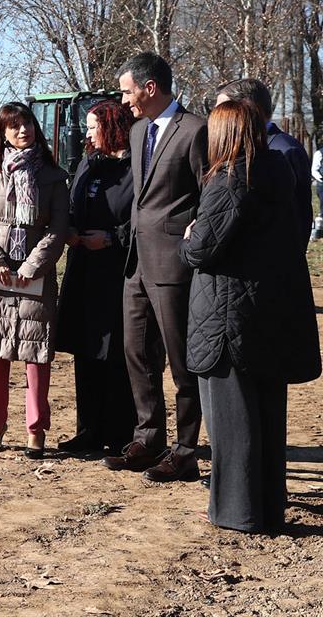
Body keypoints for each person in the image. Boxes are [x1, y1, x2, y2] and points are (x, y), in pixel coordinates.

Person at [179, 101, 321, 533]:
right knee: (265, 414)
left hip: (227, 316)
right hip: (268, 310)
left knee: (232, 418)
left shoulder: (228, 179)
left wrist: (189, 235)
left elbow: (202, 248)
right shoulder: (279, 170)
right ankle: (266, 505)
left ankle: (236, 511)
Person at [104, 51, 209, 483]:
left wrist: (196, 231)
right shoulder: (137, 131)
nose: (124, 101)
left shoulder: (196, 131)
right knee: (137, 353)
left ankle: (185, 452)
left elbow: (211, 192)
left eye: (128, 92)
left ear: (150, 88)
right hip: (136, 266)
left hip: (175, 266)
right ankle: (149, 439)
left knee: (181, 361)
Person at [0, 102, 68, 460]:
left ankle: (36, 429)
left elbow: (58, 228)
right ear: (2, 133)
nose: (23, 131)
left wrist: (33, 265)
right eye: (15, 126)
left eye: (27, 125)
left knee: (36, 355)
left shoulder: (53, 176)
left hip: (34, 278)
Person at [54, 99, 137, 456]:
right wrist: (68, 229)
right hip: (84, 269)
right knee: (87, 351)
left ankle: (122, 434)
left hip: (119, 272)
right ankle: (88, 430)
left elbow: (143, 217)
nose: (87, 134)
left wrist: (113, 238)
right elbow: (72, 207)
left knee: (117, 353)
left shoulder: (138, 166)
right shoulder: (89, 163)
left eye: (93, 127)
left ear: (113, 126)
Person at [214, 78, 311, 250]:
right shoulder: (243, 146)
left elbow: (298, 214)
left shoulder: (284, 149)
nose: (216, 114)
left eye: (224, 108)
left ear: (247, 107)